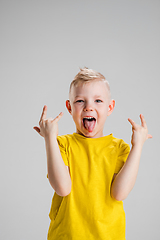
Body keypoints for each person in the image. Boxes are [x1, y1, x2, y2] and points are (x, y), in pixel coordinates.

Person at [33, 68, 152, 240]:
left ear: (110, 107)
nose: (89, 107)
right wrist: (50, 138)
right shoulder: (62, 144)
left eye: (98, 101)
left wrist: (138, 146)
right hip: (66, 235)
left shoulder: (120, 149)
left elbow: (119, 193)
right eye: (80, 101)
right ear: (69, 107)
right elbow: (62, 187)